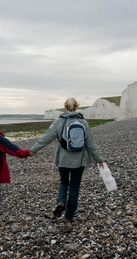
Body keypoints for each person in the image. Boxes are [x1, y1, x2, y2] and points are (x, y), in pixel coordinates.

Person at [29, 98, 105, 231]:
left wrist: (33, 150)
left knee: (64, 182)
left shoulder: (59, 122)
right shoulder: (84, 123)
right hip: (79, 160)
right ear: (76, 108)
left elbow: (46, 137)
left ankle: (61, 201)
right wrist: (99, 159)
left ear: (65, 107)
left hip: (63, 160)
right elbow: (91, 144)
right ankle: (68, 218)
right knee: (75, 187)